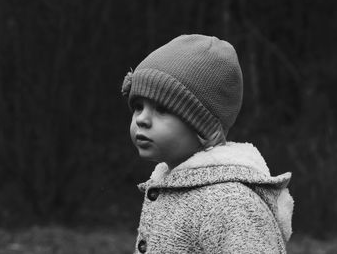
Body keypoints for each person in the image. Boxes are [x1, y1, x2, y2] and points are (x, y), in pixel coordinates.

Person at [121, 34, 294, 253]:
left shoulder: (231, 203)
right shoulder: (168, 187)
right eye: (138, 106)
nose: (141, 119)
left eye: (162, 109)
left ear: (202, 126)